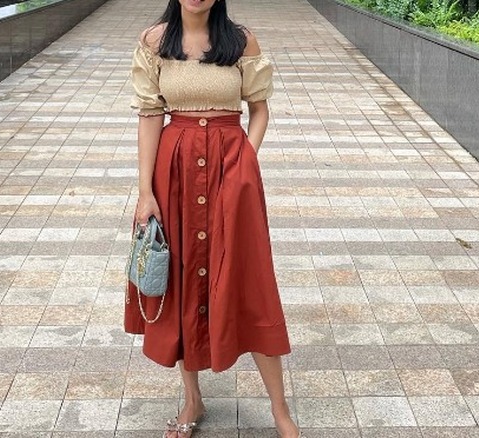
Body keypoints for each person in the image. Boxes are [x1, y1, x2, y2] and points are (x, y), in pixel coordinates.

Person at [124, 1, 301, 437]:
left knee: (249, 280)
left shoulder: (240, 41)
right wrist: (146, 192)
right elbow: (150, 116)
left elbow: (258, 109)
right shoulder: (154, 41)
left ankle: (280, 411)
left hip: (231, 171)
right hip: (175, 172)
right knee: (181, 279)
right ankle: (192, 400)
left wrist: (245, 164)